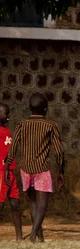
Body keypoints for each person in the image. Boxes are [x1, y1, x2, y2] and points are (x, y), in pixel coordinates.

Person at [4, 93, 65, 243]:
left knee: (32, 202)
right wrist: (61, 170)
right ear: (46, 109)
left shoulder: (20, 125)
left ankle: (40, 236)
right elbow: (59, 151)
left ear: (29, 108)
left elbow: (12, 148)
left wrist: (7, 167)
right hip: (42, 169)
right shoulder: (50, 126)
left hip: (25, 169)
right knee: (42, 203)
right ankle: (32, 235)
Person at [0, 103, 23, 241]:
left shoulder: (7, 130)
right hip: (2, 172)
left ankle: (19, 237)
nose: (7, 116)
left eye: (7, 113)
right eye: (4, 113)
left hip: (11, 172)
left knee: (15, 204)